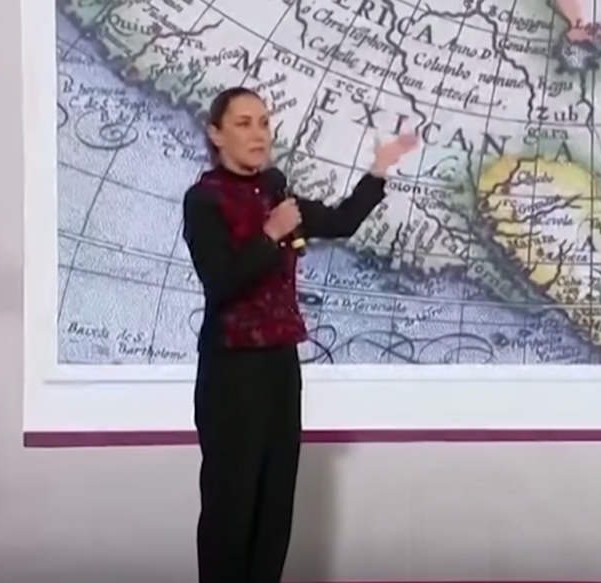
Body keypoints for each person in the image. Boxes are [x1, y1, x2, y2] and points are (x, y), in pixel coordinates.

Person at [182, 86, 418, 583]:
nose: (258, 134)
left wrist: (379, 169)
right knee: (232, 507)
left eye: (264, 122)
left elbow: (343, 221)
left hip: (279, 367)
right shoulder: (205, 200)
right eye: (244, 123)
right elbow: (220, 280)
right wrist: (271, 234)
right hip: (232, 370)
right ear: (216, 134)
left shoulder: (275, 192)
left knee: (274, 506)